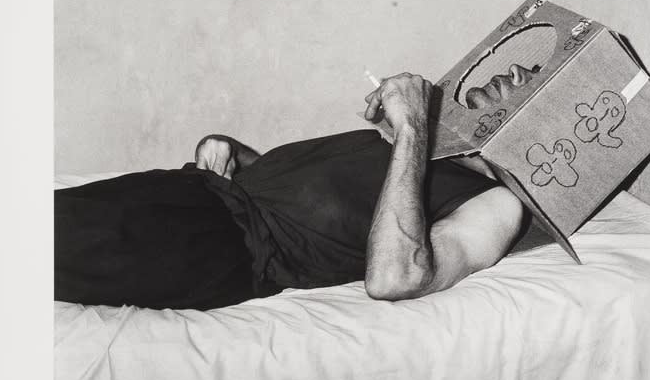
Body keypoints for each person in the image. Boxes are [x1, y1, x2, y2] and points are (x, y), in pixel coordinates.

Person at [55, 70, 533, 311]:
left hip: (219, 242)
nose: (510, 73)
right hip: (184, 191)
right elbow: (314, 198)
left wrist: (411, 126)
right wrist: (232, 154)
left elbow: (395, 279)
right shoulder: (427, 150)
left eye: (531, 81)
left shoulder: (498, 201)